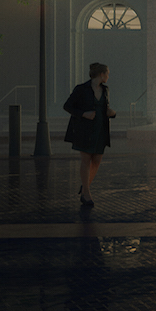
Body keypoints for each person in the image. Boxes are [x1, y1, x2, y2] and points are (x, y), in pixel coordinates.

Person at [63, 62, 115, 207]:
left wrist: (112, 113)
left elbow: (105, 108)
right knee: (86, 160)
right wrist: (83, 114)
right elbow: (67, 106)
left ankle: (85, 185)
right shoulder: (81, 89)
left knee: (97, 160)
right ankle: (86, 193)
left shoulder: (105, 90)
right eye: (107, 73)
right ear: (101, 74)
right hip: (84, 130)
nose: (108, 76)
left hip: (100, 130)